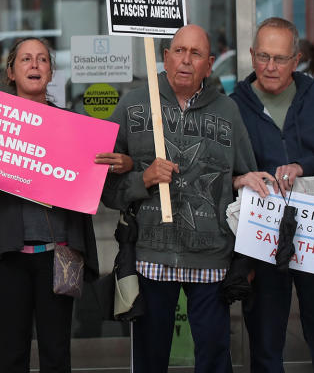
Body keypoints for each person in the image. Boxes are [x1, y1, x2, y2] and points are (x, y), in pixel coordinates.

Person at [100, 24, 269, 373]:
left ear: (209, 63)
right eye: (179, 51)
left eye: (195, 54)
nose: (186, 60)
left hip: (211, 259)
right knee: (150, 359)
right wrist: (142, 178)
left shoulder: (227, 111)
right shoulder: (134, 104)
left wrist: (245, 258)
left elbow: (244, 186)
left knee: (214, 358)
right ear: (164, 58)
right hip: (150, 256)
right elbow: (105, 189)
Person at [230, 17, 314, 373]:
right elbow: (220, 170)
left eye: (280, 58)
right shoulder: (233, 106)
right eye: (262, 56)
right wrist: (240, 178)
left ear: (297, 58)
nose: (270, 67)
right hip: (263, 238)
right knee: (265, 340)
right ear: (251, 55)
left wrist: (306, 165)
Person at [0, 37, 104, 373]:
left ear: (50, 72)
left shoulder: (72, 126)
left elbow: (88, 190)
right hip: (10, 258)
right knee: (12, 353)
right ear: (11, 72)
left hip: (57, 257)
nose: (35, 65)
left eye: (42, 59)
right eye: (26, 59)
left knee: (56, 354)